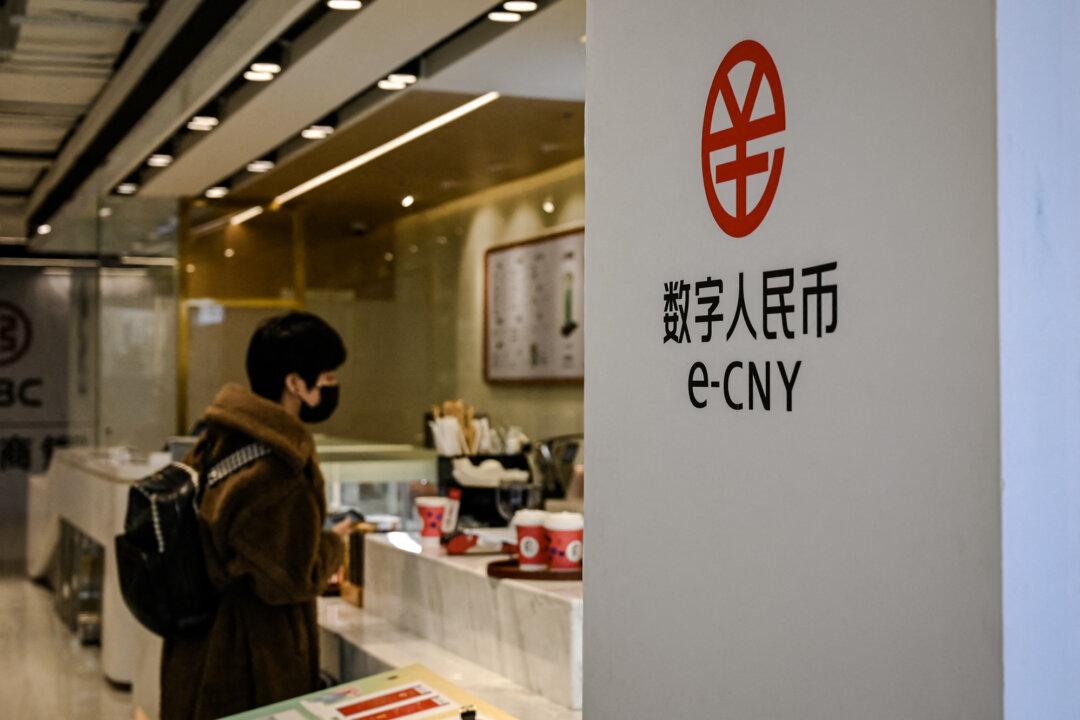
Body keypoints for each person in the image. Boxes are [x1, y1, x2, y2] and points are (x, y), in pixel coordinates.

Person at [161, 312, 354, 720]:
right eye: (327, 376)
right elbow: (287, 579)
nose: (332, 385)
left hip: (199, 644)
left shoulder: (221, 437)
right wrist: (333, 545)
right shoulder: (279, 469)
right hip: (246, 662)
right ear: (295, 383)